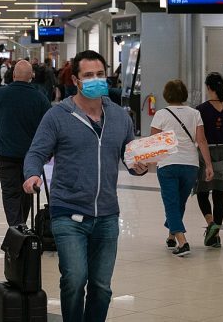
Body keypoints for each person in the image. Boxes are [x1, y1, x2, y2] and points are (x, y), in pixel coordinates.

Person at [23, 50, 150, 322]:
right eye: (89, 75)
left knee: (102, 287)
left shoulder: (120, 118)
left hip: (106, 214)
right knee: (75, 279)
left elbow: (130, 158)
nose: (96, 80)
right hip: (68, 211)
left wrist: (138, 167)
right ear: (76, 80)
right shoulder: (58, 115)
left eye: (100, 74)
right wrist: (32, 174)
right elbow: (36, 153)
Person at [150, 79, 214, 257]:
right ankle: (171, 235)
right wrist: (208, 165)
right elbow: (201, 141)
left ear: (166, 95)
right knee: (179, 202)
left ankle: (182, 241)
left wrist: (149, 163)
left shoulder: (161, 114)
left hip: (168, 164)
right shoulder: (195, 114)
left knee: (171, 202)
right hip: (190, 165)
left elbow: (154, 142)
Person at [0, 60, 51, 226]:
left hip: (6, 155)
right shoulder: (40, 98)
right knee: (27, 192)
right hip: (32, 158)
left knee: (10, 194)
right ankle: (21, 228)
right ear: (32, 77)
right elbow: (48, 129)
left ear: (13, 75)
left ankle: (16, 230)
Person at [194, 73, 223, 248]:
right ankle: (216, 237)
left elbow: (198, 137)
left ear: (208, 88)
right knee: (218, 195)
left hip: (207, 152)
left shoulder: (200, 109)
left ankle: (210, 224)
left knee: (202, 192)